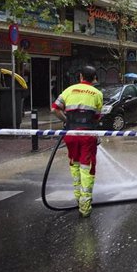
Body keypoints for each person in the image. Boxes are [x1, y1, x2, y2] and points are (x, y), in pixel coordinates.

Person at [52, 66, 103, 218]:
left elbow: (54, 109)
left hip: (71, 134)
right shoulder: (97, 93)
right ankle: (85, 207)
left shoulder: (69, 90)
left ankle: (77, 199)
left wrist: (67, 121)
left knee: (74, 165)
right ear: (94, 78)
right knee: (87, 168)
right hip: (87, 135)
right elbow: (97, 116)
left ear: (80, 76)